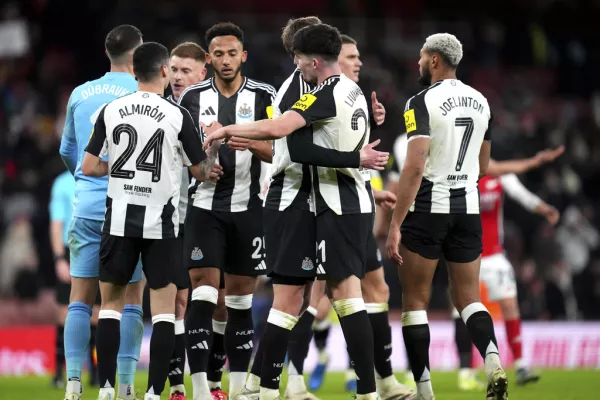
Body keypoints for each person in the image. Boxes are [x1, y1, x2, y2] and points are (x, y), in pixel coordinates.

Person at [204, 23, 389, 400]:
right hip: (337, 202)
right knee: (305, 298)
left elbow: (283, 131)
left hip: (327, 203)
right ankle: (264, 386)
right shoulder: (352, 88)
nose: (297, 64)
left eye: (301, 59)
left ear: (313, 59)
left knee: (342, 296)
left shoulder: (320, 93)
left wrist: (226, 131)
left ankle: (366, 391)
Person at [81, 41, 219, 400]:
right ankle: (156, 393)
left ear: (132, 71)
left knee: (109, 308)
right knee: (162, 313)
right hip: (162, 226)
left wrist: (123, 170)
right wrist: (213, 148)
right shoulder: (177, 116)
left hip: (118, 223)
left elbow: (89, 166)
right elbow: (201, 172)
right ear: (162, 71)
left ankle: (107, 389)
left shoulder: (112, 109)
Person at [385, 33, 508, 400]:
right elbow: (483, 165)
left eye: (422, 57)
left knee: (414, 303)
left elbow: (413, 168)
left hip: (427, 210)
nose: (418, 63)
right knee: (469, 298)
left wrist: (395, 224)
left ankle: (424, 392)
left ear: (435, 60)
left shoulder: (419, 102)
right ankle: (492, 361)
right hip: (467, 210)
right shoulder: (482, 101)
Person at [392, 132, 564, 391]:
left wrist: (542, 203)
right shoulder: (465, 172)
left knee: (503, 305)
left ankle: (519, 364)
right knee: (460, 309)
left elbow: (520, 191)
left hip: (490, 254)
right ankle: (467, 370)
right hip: (464, 252)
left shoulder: (486, 172)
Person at [308, 34, 412, 399]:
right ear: (334, 60)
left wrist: (374, 122)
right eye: (352, 56)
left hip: (357, 209)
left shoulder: (355, 99)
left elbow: (358, 161)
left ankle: (380, 380)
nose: (359, 62)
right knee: (315, 302)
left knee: (375, 290)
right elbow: (317, 153)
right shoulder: (319, 94)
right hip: (329, 212)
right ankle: (288, 374)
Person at [176, 22, 275, 399]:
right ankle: (201, 390)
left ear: (243, 55)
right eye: (218, 53)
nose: (226, 60)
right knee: (202, 292)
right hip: (205, 207)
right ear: (208, 58)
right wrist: (201, 167)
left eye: (232, 53)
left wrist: (244, 139)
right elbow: (182, 157)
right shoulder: (191, 100)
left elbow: (278, 151)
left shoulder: (264, 97)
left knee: (238, 302)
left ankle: (235, 390)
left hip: (250, 209)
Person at [59, 24, 146, 400]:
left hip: (88, 206)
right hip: (130, 204)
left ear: (107, 53)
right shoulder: (143, 94)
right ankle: (124, 385)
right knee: (129, 299)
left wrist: (85, 182)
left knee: (80, 298)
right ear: (138, 53)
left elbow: (68, 152)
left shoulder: (80, 94)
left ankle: (74, 384)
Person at [166, 41, 227, 400]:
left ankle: (215, 383)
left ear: (202, 74)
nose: (177, 77)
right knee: (176, 301)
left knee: (218, 300)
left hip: (207, 216)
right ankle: (177, 387)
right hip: (170, 221)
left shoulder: (214, 110)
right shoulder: (159, 110)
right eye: (173, 69)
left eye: (186, 71)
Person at [49, 170, 99, 389]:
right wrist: (60, 258)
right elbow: (56, 222)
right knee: (64, 314)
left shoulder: (102, 177)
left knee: (96, 317)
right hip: (71, 250)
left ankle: (97, 374)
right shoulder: (62, 182)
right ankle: (60, 374)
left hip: (97, 248)